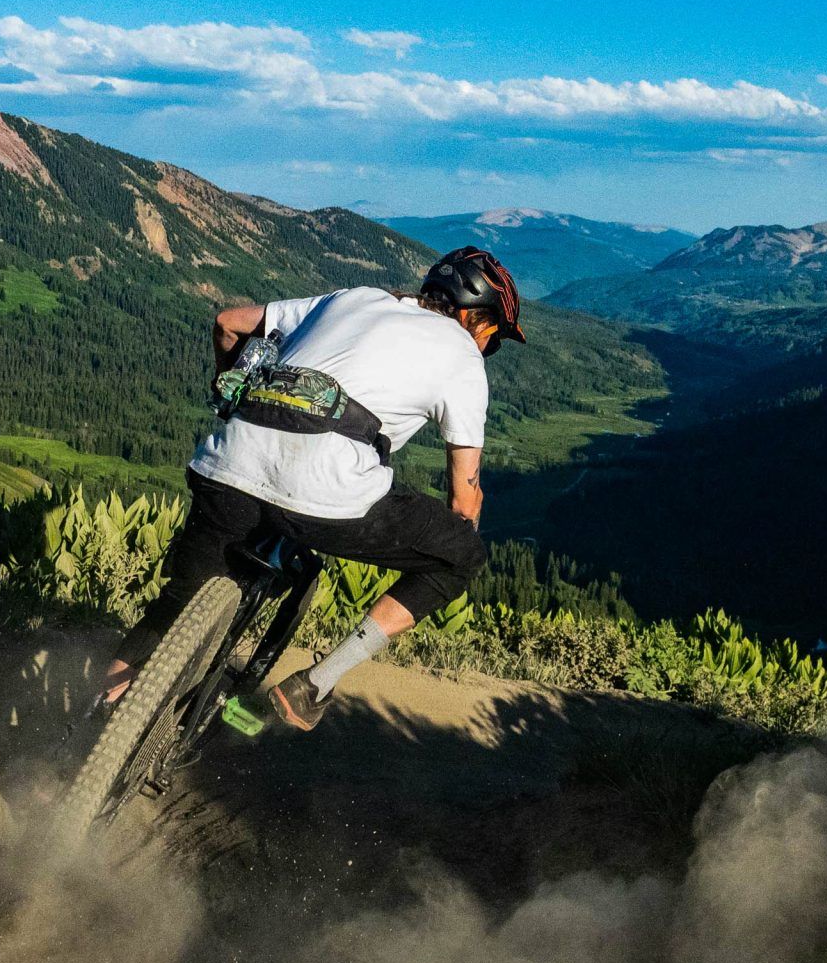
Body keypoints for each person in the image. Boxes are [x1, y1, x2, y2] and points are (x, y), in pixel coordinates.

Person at [100, 246, 526, 731]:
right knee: (461, 555)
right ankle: (317, 683)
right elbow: (463, 497)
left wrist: (228, 390)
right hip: (328, 492)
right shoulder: (463, 357)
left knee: (177, 602)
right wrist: (463, 529)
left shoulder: (355, 297)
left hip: (227, 461)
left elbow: (228, 322)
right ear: (476, 318)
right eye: (493, 336)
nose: (487, 348)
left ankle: (92, 729)